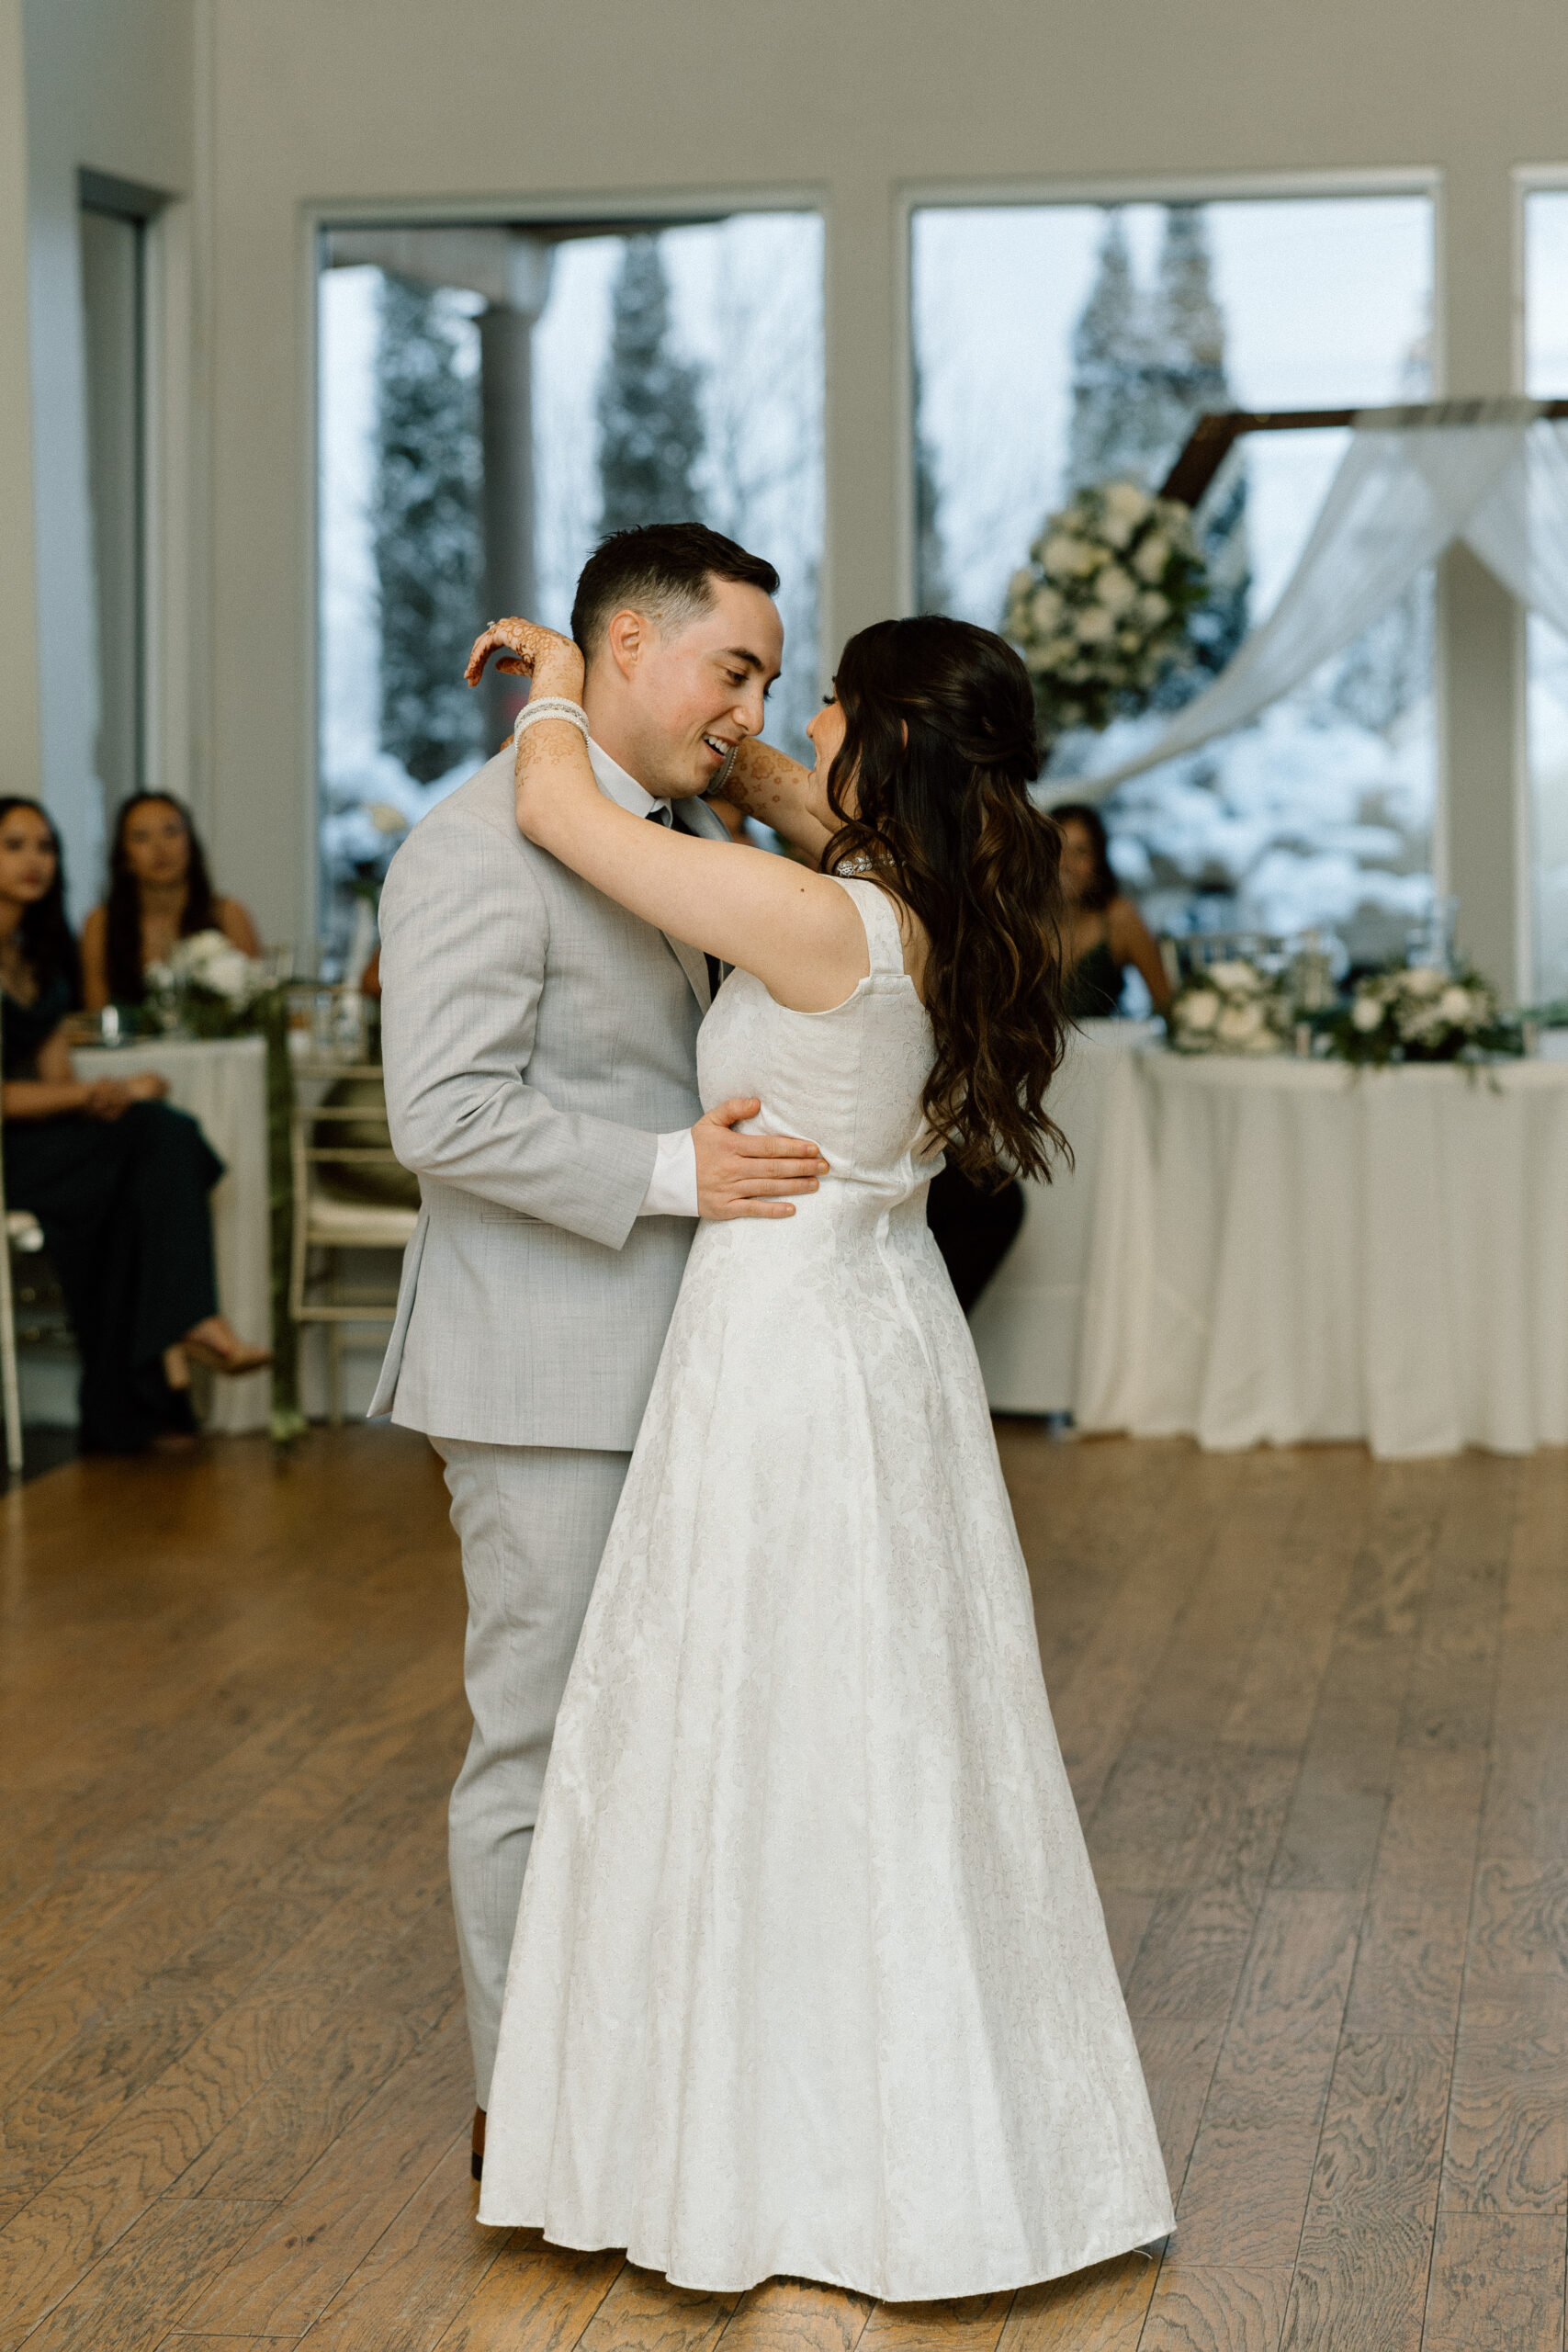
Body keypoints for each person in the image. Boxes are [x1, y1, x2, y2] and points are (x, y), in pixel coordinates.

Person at [468, 611, 1174, 2297]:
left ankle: (778, 2160)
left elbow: (565, 820)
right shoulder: (931, 905)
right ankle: (910, 2132)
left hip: (784, 1347)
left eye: (824, 703)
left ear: (883, 739)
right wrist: (741, 749)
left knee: (766, 1717)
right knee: (878, 1723)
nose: (797, 725)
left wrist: (568, 688)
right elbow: (814, 812)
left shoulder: (817, 921)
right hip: (882, 1334)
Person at [368, 525, 826, 2180]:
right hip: (543, 1376)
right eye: (733, 669)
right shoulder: (478, 845)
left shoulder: (664, 830)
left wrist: (749, 766)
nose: (750, 706)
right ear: (624, 648)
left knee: (664, 1743)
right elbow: (446, 1113)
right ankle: (530, 2119)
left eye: (770, 680)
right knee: (540, 1746)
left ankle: (645, 2093)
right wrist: (672, 1172)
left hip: (678, 1362)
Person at [0, 797, 270, 1453]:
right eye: (13, 846)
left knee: (150, 1147)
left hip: (40, 1142)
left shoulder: (34, 954)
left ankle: (137, 1402)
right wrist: (102, 1092)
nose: (34, 861)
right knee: (160, 1137)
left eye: (44, 846)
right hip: (8, 1151)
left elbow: (54, 1074)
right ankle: (190, 1327)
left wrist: (96, 1100)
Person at [81, 791, 262, 1012]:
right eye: (141, 837)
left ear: (191, 843)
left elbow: (257, 1004)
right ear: (125, 856)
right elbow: (96, 1015)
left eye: (171, 832)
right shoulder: (100, 923)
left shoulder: (228, 914)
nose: (159, 847)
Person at [1050, 800, 1173, 1020]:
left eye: (1081, 851)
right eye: (1056, 849)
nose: (1066, 863)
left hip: (1103, 1051)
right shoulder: (1021, 920)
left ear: (1098, 861)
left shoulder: (1119, 917)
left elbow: (1166, 1003)